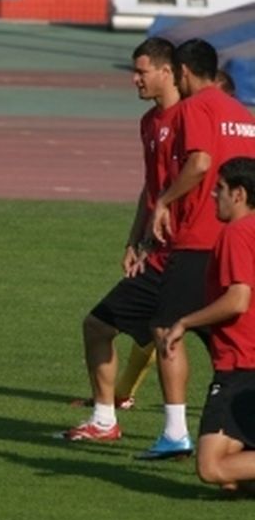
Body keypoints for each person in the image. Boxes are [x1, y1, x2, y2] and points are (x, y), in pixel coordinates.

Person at [140, 38, 255, 460]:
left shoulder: (194, 108)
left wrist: (165, 202)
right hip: (242, 231)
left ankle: (175, 432)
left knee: (167, 327)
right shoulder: (241, 113)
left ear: (183, 73)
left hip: (199, 236)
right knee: (226, 329)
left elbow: (201, 162)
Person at [64, 38, 180, 441]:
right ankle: (106, 420)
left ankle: (174, 432)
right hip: (158, 254)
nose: (134, 80)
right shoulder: (150, 123)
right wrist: (135, 240)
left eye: (141, 72)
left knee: (180, 338)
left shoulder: (188, 119)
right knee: (100, 327)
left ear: (167, 71)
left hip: (185, 256)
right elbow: (152, 188)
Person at [159, 157, 255, 491]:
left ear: (239, 195)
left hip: (242, 366)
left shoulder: (237, 234)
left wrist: (185, 321)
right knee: (234, 480)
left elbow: (237, 300)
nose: (213, 195)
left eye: (220, 189)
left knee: (213, 468)